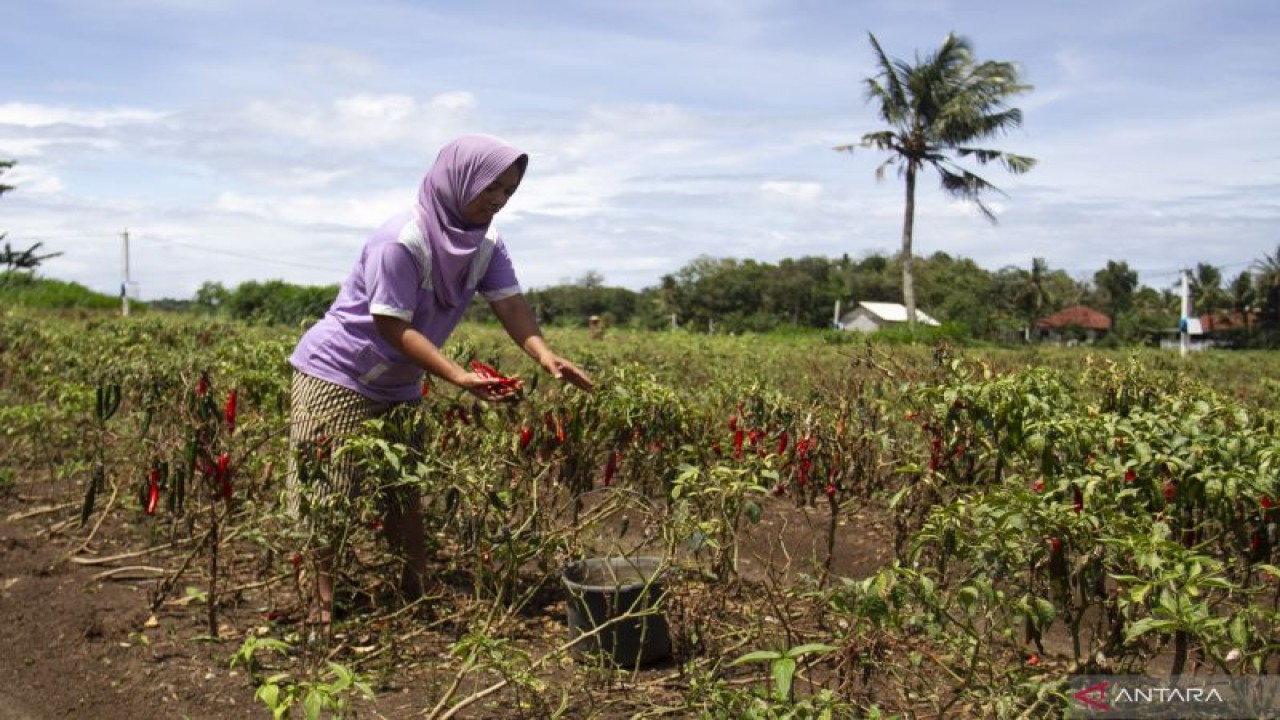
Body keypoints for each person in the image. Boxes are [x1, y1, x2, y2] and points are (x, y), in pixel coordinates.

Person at [286, 134, 594, 625]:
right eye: (489, 189)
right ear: (457, 180)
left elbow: (510, 304)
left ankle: (415, 586)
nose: (497, 201)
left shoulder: (486, 244)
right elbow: (391, 323)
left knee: (403, 487)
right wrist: (455, 375)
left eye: (508, 192)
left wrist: (545, 355)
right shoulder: (400, 240)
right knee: (328, 488)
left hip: (399, 381)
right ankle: (321, 603)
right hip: (338, 373)